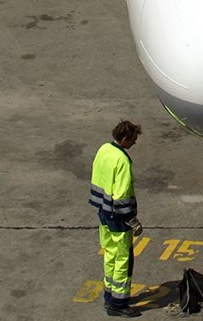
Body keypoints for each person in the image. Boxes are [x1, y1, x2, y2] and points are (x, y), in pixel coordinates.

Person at [89, 120, 143, 317]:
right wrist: (132, 219)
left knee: (110, 254)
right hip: (118, 217)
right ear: (125, 138)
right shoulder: (122, 160)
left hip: (103, 212)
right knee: (123, 259)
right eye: (134, 139)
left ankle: (108, 296)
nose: (135, 143)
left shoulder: (104, 150)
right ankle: (119, 304)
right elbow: (121, 195)